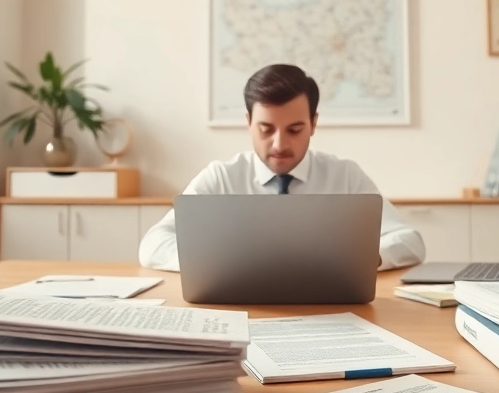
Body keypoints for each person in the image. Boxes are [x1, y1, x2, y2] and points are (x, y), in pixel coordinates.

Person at [138, 64, 426, 272]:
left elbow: (410, 242)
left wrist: (363, 260)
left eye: (295, 129)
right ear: (248, 122)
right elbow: (152, 244)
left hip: (330, 314)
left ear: (314, 123)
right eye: (265, 129)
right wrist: (216, 261)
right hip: (241, 314)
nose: (278, 144)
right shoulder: (221, 178)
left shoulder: (345, 176)